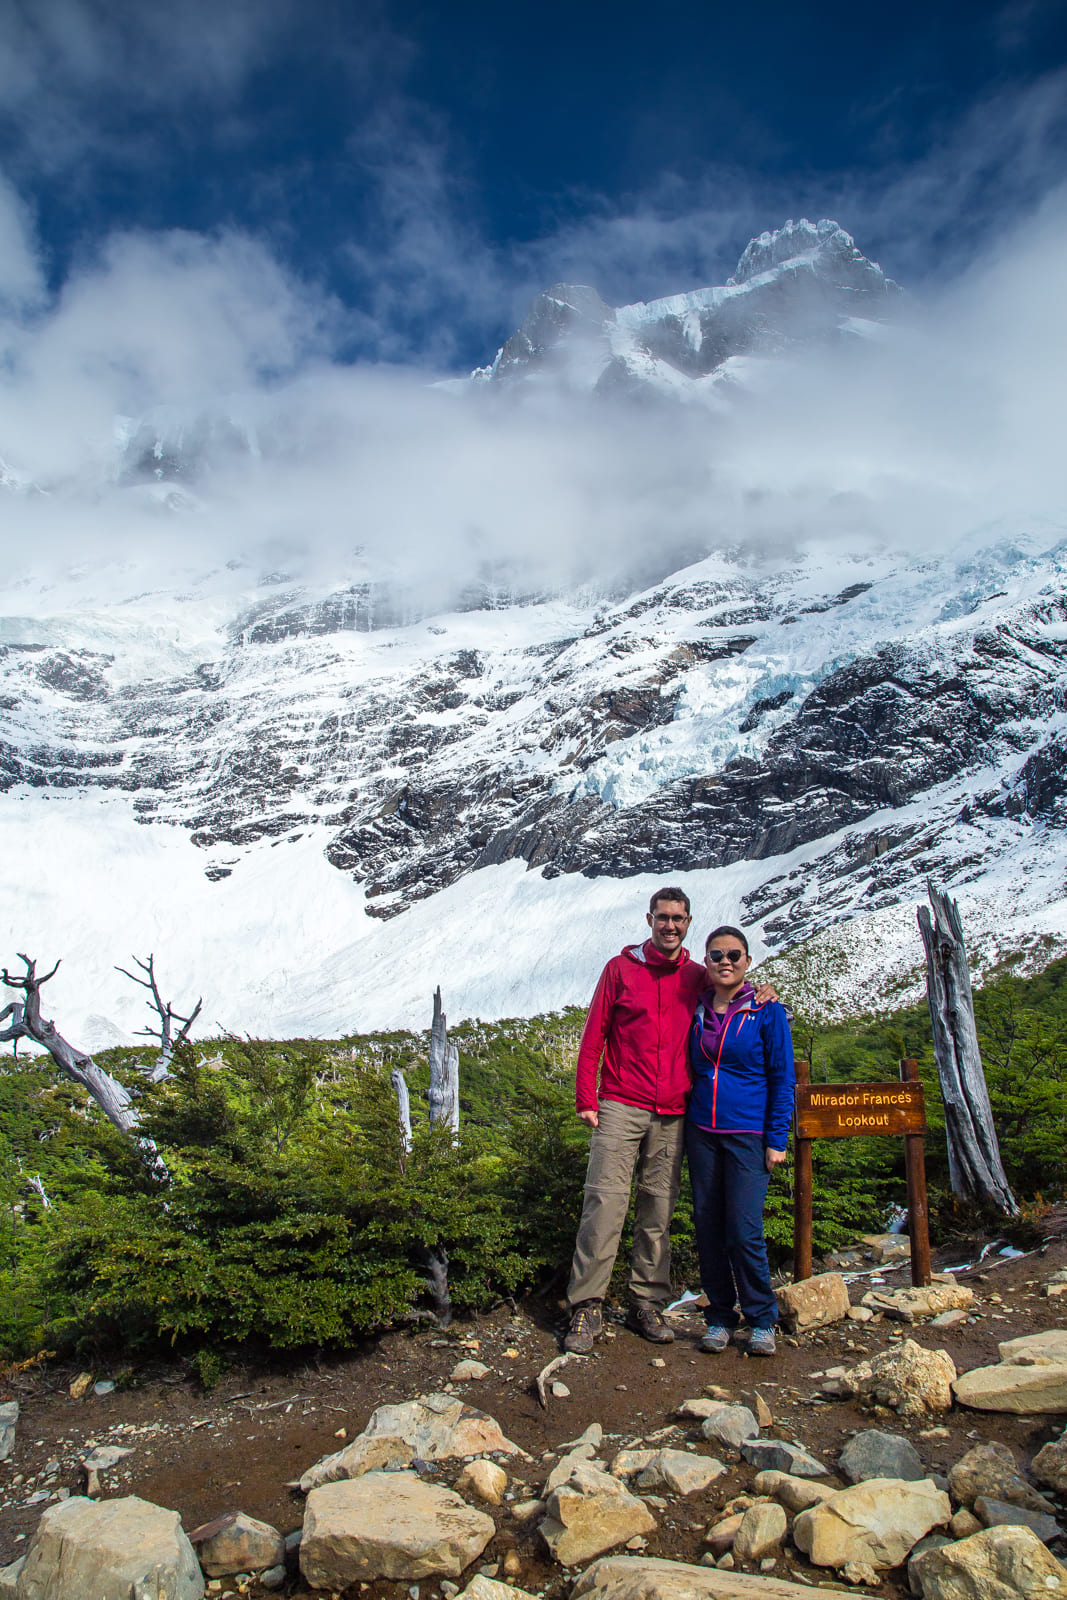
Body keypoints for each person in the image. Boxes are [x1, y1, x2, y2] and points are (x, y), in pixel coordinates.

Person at [563, 889, 777, 1354]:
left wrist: (765, 990)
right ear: (650, 919)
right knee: (605, 1204)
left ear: (688, 921)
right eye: (663, 918)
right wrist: (587, 1095)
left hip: (675, 1111)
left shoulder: (698, 976)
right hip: (621, 1102)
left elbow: (734, 988)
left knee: (657, 1209)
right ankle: (587, 1305)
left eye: (678, 919)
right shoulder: (619, 970)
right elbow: (594, 1032)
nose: (670, 926)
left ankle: (647, 1302)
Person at [685, 924, 795, 1358]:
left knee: (744, 1229)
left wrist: (777, 1139)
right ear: (706, 962)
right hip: (703, 1132)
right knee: (708, 1226)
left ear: (748, 961)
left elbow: (782, 1078)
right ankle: (719, 1316)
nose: (725, 961)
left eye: (734, 954)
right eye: (716, 955)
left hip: (749, 1134)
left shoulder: (767, 1011)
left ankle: (762, 1318)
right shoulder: (697, 1007)